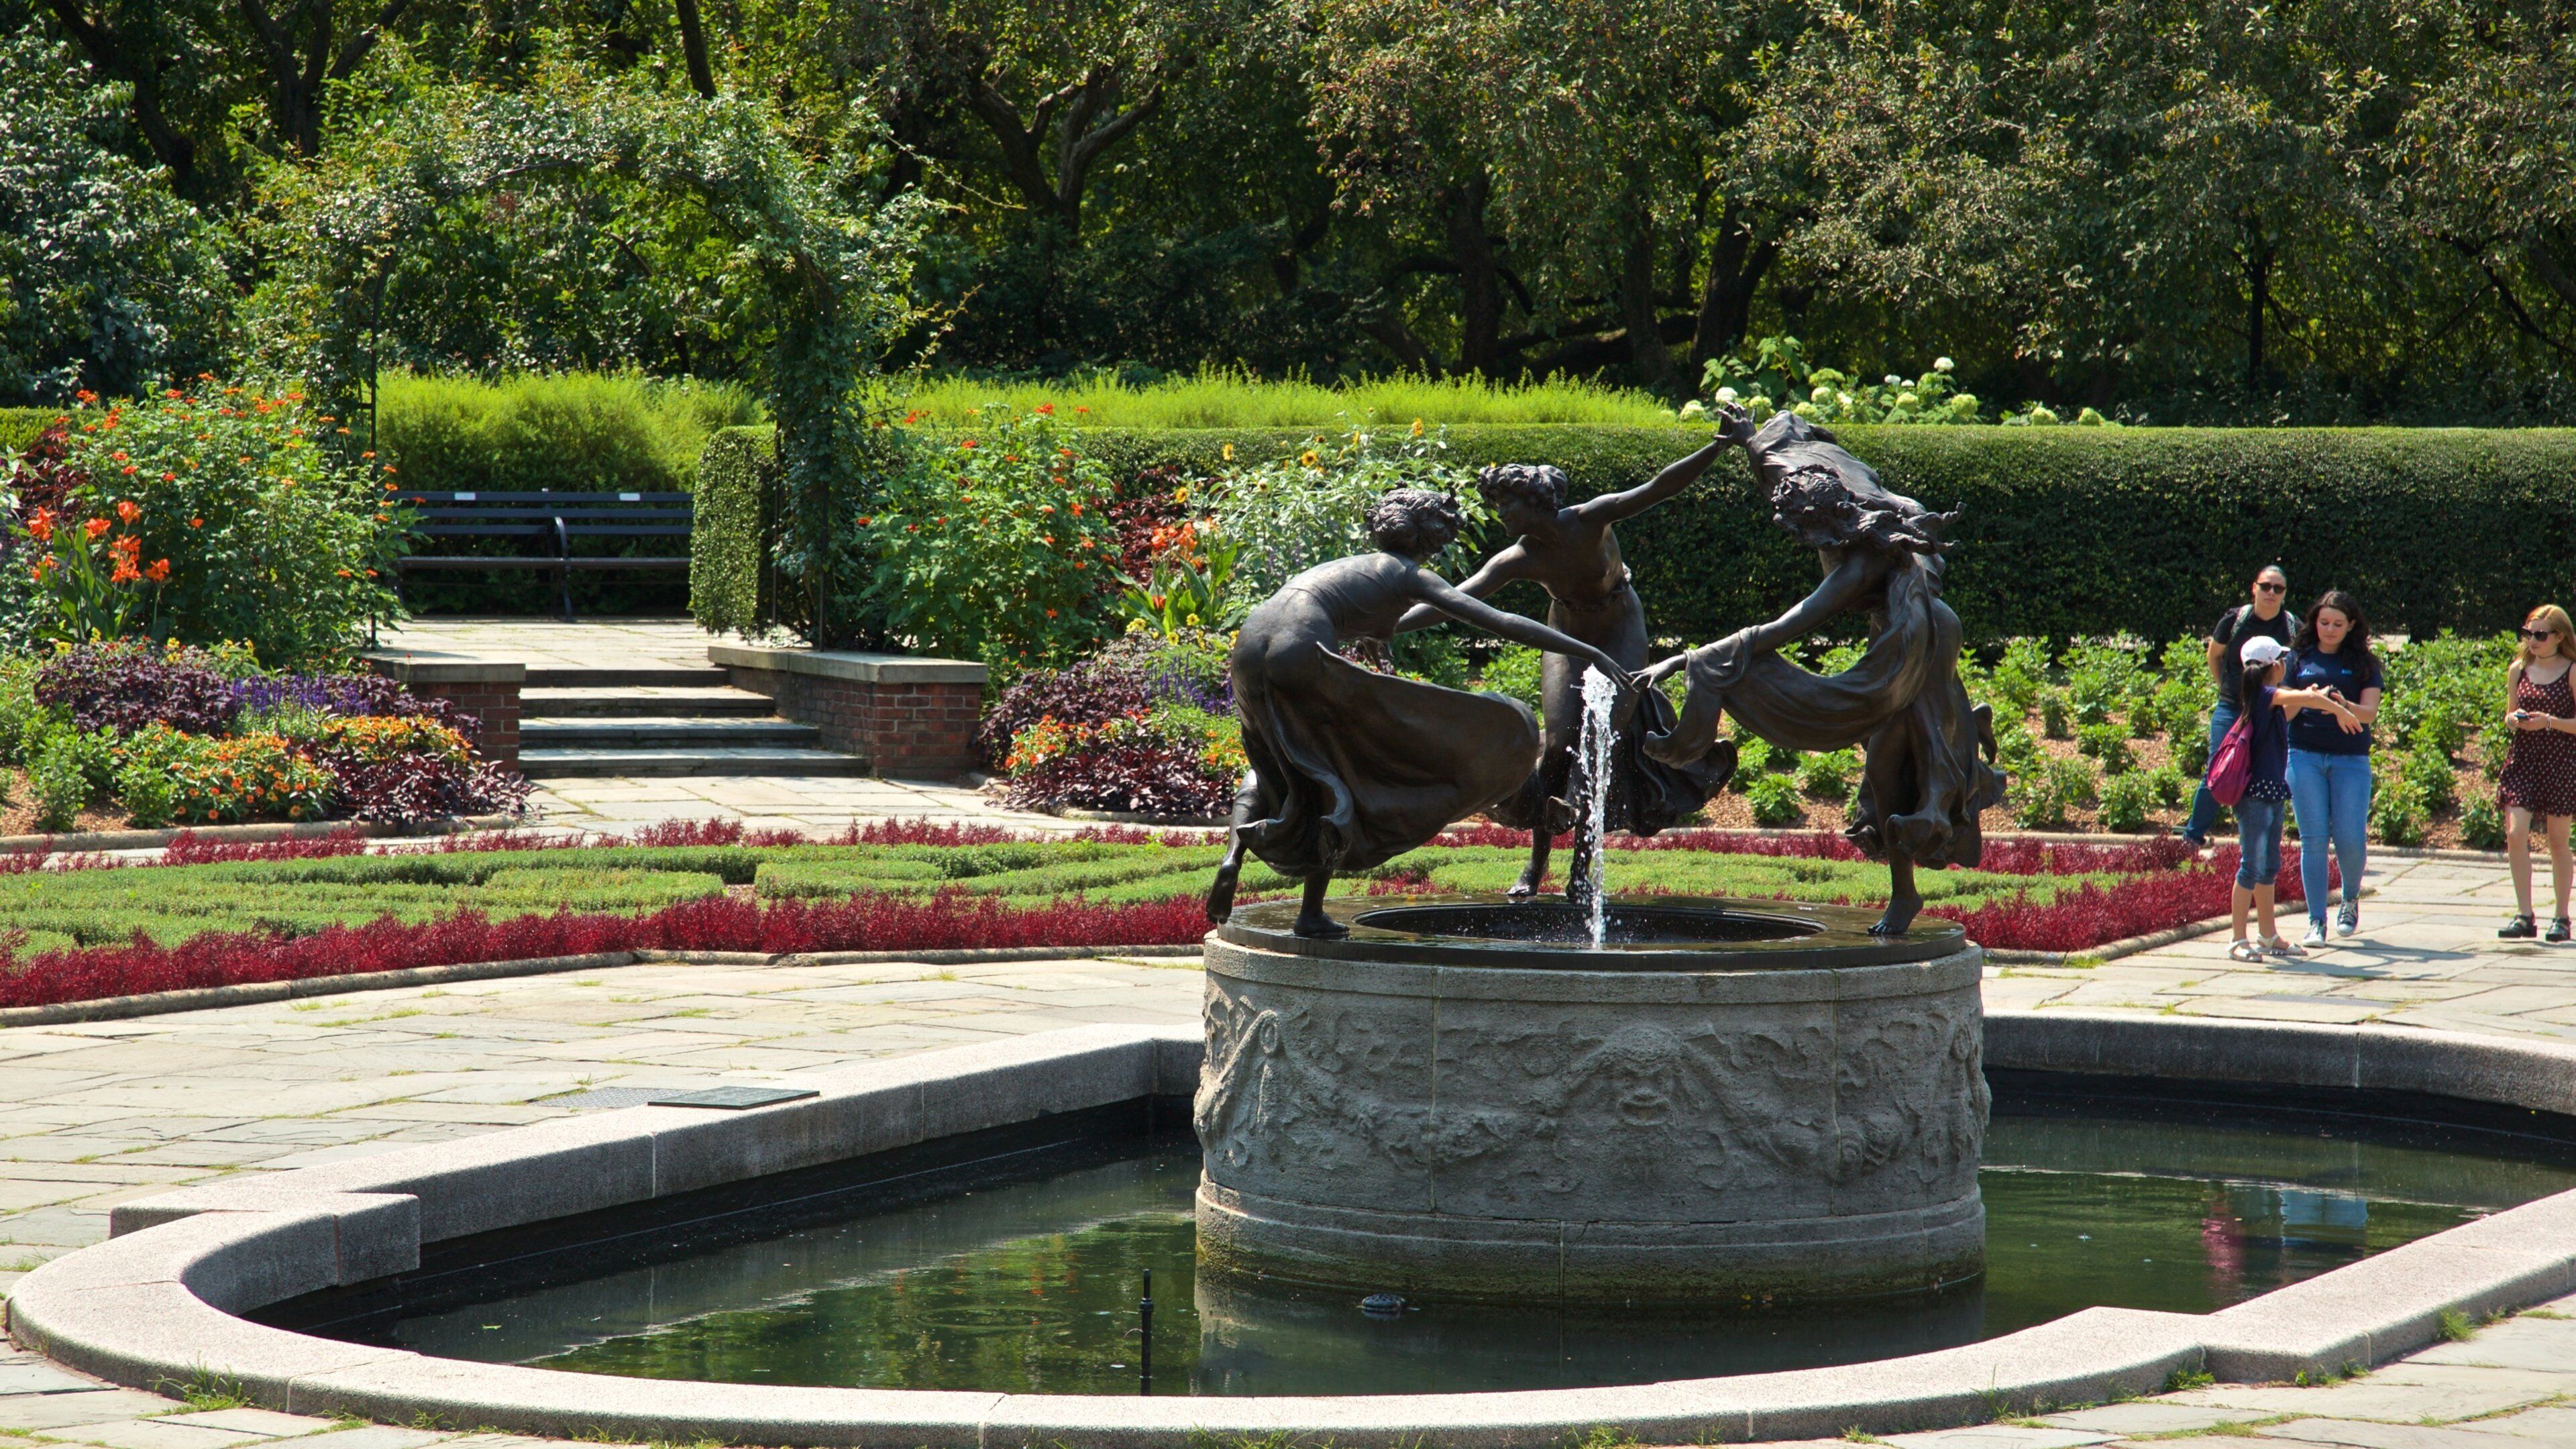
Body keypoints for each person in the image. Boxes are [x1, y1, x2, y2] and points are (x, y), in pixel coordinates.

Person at [1208, 488, 1642, 939]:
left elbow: (1332, 611)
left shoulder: (1354, 566)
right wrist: (1588, 650)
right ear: (1430, 538)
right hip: (1299, 648)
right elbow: (1502, 622)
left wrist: (1368, 636)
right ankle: (1310, 914)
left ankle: (1232, 857)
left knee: (1272, 762)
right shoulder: (1409, 574)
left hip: (1251, 641)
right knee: (1339, 774)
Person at [1641, 405, 2007, 935]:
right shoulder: (1830, 495)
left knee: (1897, 756)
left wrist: (1689, 658)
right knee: (1883, 771)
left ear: (1829, 522)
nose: (1806, 541)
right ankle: (1908, 884)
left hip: (1921, 639)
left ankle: (1932, 816)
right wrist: (1750, 441)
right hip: (1898, 632)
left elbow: (1789, 626)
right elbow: (1781, 461)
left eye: (1808, 532)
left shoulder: (1856, 563)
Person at [1393, 444, 1734, 900]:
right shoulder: (1518, 558)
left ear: (1534, 501)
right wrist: (1386, 625)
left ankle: (1582, 869)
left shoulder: (1591, 519)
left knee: (1598, 744)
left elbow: (1660, 488)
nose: (1500, 514)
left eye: (1506, 504)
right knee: (1557, 747)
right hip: (1566, 636)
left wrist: (1718, 446)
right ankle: (1537, 863)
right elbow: (1455, 600)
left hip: (1620, 630)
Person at [2226, 636, 2359, 961]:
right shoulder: (2265, 695)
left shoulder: (2269, 701)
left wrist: (2317, 695)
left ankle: (2267, 935)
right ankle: (2237, 940)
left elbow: (2300, 702)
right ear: (2274, 666)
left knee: (2268, 867)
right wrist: (2337, 709)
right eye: (2283, 660)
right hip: (2255, 798)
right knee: (2250, 867)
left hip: (2271, 793)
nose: (2287, 665)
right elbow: (2304, 699)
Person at [2283, 589, 2383, 948]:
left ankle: (2350, 898)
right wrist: (2308, 697)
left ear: (2351, 625)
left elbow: (2369, 714)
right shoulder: (2297, 658)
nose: (2329, 629)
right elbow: (2283, 711)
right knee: (2313, 840)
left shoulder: (2365, 663)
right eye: (2324, 622)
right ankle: (2316, 921)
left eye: (2337, 624)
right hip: (2304, 755)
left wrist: (2343, 704)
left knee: (2350, 838)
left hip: (2350, 759)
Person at [2181, 565, 2299, 848]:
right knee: (2220, 768)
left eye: (2278, 588)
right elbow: (2215, 656)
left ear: (2285, 594)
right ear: (2254, 588)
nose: (2271, 593)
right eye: (2265, 586)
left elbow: (2298, 667)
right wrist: (2227, 688)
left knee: (2267, 773)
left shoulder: (2292, 626)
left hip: (2271, 711)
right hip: (2232, 707)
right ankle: (2192, 838)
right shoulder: (2235, 620)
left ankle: (2259, 844)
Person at [2497, 604, 2576, 942]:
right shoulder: (2519, 669)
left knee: (2558, 841)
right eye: (2528, 633)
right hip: (2524, 760)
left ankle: (2561, 916)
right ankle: (2524, 915)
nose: (2532, 640)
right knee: (2516, 834)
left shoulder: (2572, 671)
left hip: (2560, 762)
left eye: (2540, 635)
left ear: (2559, 636)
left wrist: (2549, 722)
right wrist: (2514, 720)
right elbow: (2509, 714)